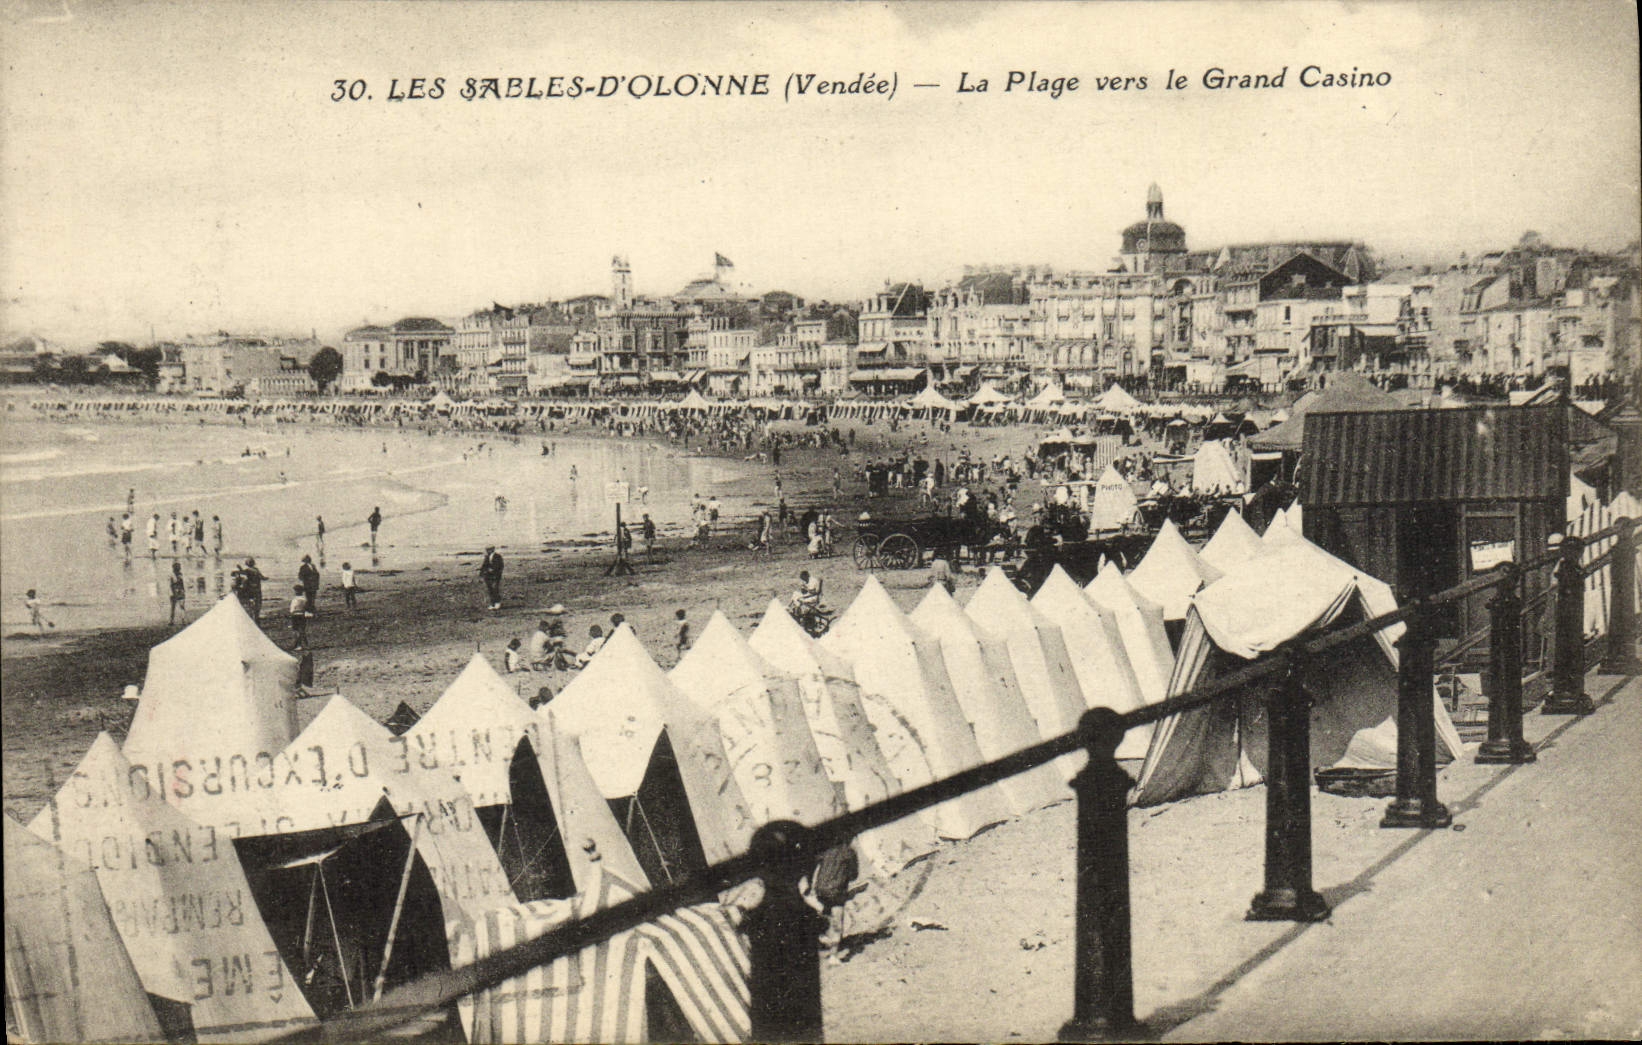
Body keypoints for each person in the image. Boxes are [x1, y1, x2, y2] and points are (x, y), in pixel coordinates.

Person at [287, 584, 312, 649]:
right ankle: (304, 644)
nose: (295, 592)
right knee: (301, 630)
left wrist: (291, 614)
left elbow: (293, 608)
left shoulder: (296, 599)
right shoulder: (304, 599)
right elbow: (307, 607)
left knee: (296, 630)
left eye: (295, 590)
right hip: (302, 615)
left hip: (296, 615)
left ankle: (299, 645)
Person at [480, 546, 504, 610]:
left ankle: (497, 603)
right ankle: (492, 603)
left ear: (492, 549)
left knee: (495, 588)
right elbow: (484, 565)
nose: (487, 551)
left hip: (495, 576)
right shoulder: (487, 557)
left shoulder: (498, 556)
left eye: (488, 549)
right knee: (490, 589)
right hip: (488, 576)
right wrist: (482, 573)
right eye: (487, 549)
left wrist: (493, 570)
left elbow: (500, 566)